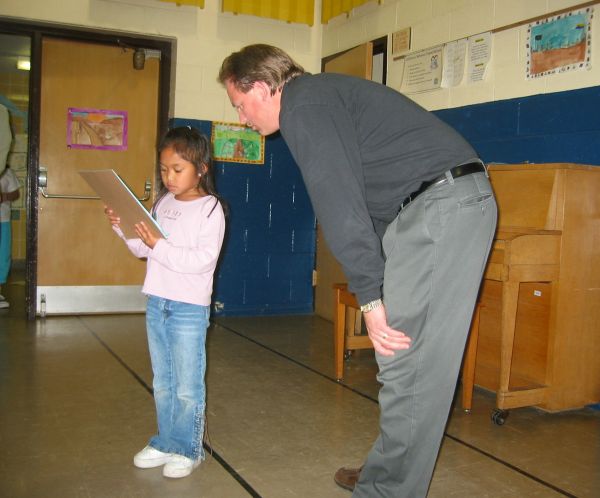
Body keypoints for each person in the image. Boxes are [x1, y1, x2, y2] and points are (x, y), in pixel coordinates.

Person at [218, 44, 497, 497]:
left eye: (239, 104)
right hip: (430, 209)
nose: (242, 118)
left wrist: (370, 297)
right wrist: (379, 280)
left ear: (264, 87)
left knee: (407, 363)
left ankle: (385, 488)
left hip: (442, 208)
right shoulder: (318, 98)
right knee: (402, 361)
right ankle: (386, 472)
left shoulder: (303, 104)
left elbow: (339, 203)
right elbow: (371, 201)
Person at [105, 126, 226, 478]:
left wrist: (159, 245)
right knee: (162, 381)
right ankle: (166, 441)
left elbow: (201, 261)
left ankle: (188, 449)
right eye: (163, 169)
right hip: (158, 302)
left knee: (187, 385)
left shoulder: (211, 209)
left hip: (188, 308)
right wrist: (123, 227)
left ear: (201, 168)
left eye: (177, 169)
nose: (169, 177)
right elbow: (143, 249)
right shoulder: (162, 203)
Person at [0, 165, 20, 309]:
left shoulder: (7, 172)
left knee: (2, 256)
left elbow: (16, 193)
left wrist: (4, 196)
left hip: (3, 219)